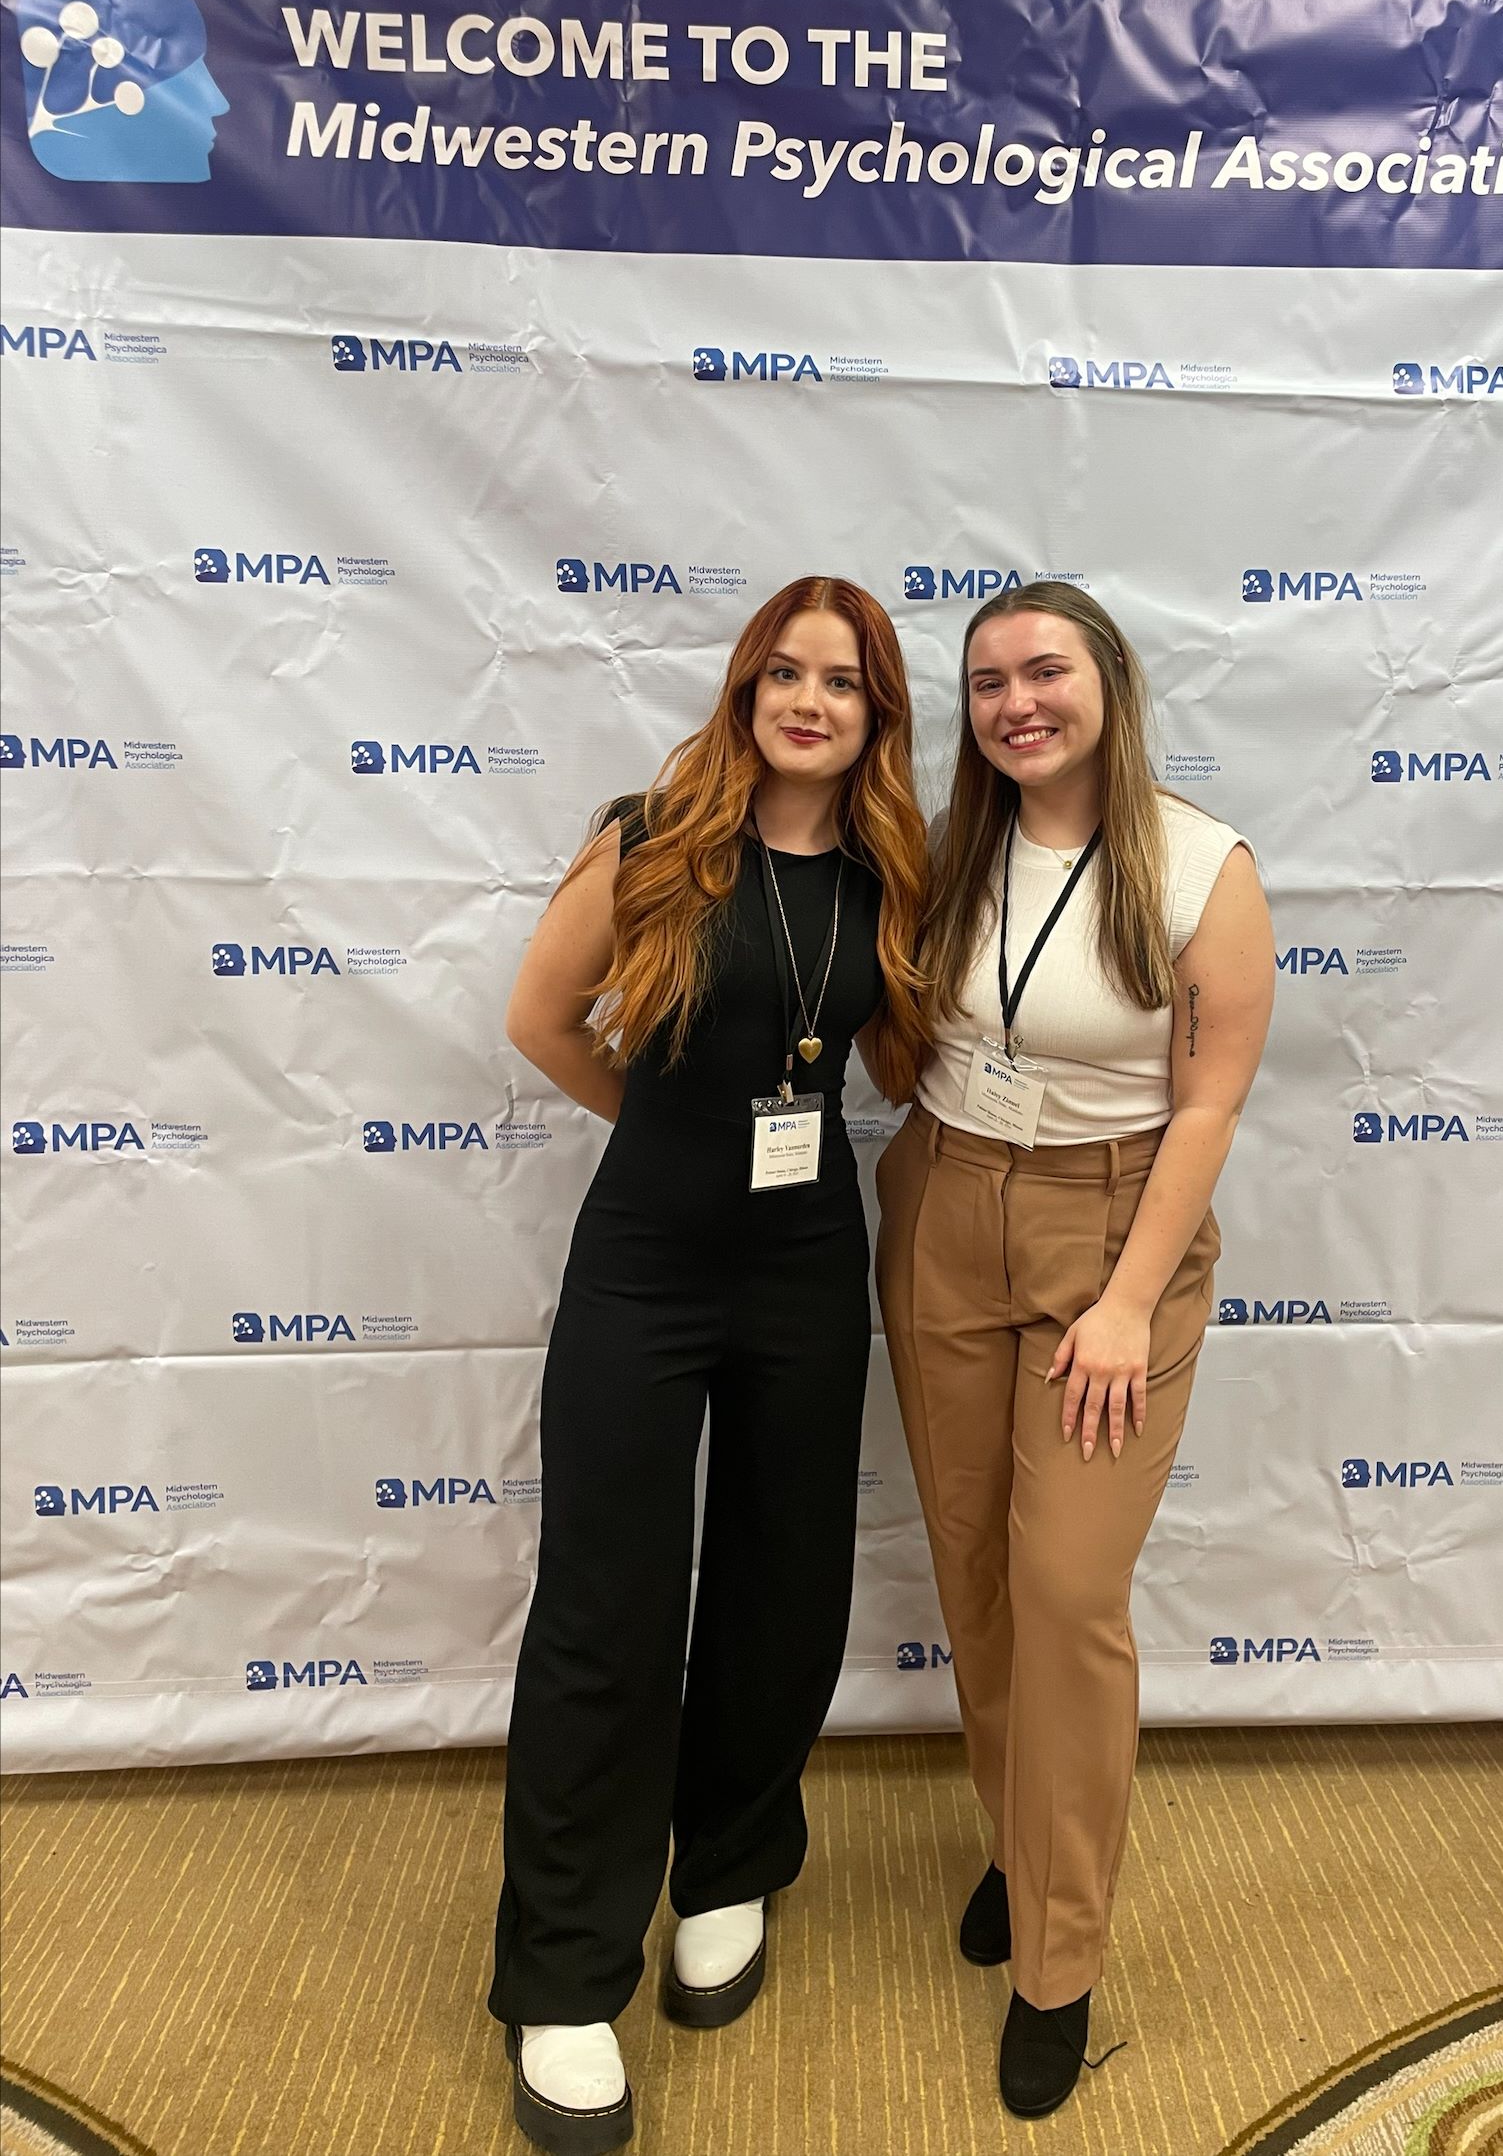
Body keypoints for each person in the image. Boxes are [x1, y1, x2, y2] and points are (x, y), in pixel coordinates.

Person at [489, 577, 926, 2155]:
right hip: (647, 1268)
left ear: (879, 714)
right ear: (745, 691)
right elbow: (545, 1020)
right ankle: (560, 1977)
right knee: (608, 1608)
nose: (811, 701)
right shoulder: (653, 836)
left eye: (846, 681)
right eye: (784, 673)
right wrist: (673, 1136)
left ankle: (730, 1866)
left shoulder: (894, 880)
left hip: (808, 1271)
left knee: (782, 1584)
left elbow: (904, 1054)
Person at [876, 579, 1274, 2119]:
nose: (1015, 701)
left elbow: (1211, 1099)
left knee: (1065, 1588)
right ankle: (1016, 1841)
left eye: (1044, 670)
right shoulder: (952, 848)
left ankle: (1061, 1957)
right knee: (976, 1567)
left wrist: (1123, 1297)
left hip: (1115, 1234)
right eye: (985, 681)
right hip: (945, 1199)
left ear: (1109, 679)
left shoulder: (1198, 863)